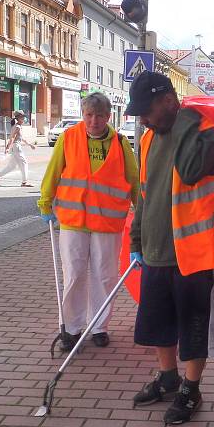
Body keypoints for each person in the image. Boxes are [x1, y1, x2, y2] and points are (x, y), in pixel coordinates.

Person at [127, 71, 214, 425]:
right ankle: (168, 378)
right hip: (156, 250)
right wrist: (137, 239)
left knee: (194, 326)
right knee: (159, 324)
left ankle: (191, 388)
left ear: (169, 101)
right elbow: (145, 192)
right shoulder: (150, 138)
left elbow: (189, 171)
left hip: (194, 254)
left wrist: (186, 118)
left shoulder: (202, 132)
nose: (142, 119)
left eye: (147, 110)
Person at [37, 92, 139, 350]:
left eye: (100, 116)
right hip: (74, 221)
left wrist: (142, 210)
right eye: (89, 115)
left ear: (108, 116)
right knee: (73, 275)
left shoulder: (120, 142)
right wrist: (45, 202)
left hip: (108, 223)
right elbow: (54, 172)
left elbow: (134, 179)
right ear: (83, 115)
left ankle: (99, 327)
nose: (94, 121)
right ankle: (70, 329)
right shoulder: (68, 138)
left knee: (105, 276)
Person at [0, 111, 36, 187]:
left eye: (23, 117)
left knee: (12, 166)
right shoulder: (17, 127)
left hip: (15, 147)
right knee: (24, 163)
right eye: (22, 117)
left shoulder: (18, 126)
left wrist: (30, 145)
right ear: (18, 118)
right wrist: (7, 148)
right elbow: (12, 138)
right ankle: (24, 182)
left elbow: (21, 138)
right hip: (16, 147)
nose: (24, 118)